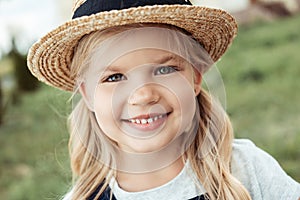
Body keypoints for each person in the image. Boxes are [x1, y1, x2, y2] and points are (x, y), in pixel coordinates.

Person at [27, 0, 300, 200]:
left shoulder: (246, 170)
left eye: (164, 69)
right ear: (87, 95)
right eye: (114, 77)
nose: (144, 94)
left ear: (195, 78)